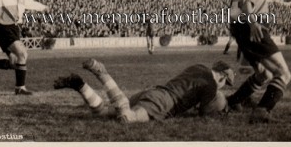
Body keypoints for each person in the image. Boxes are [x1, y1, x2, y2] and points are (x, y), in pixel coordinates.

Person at [53, 59, 235, 122]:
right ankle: (102, 73)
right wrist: (221, 107)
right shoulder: (211, 85)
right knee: (127, 117)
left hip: (154, 91)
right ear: (222, 77)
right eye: (224, 84)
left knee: (103, 113)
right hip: (165, 102)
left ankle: (80, 85)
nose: (222, 87)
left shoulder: (199, 66)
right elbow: (205, 113)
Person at [226, 0, 291, 123]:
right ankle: (261, 111)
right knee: (283, 73)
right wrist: (254, 23)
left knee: (264, 74)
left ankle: (231, 102)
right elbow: (246, 2)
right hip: (252, 29)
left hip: (241, 29)